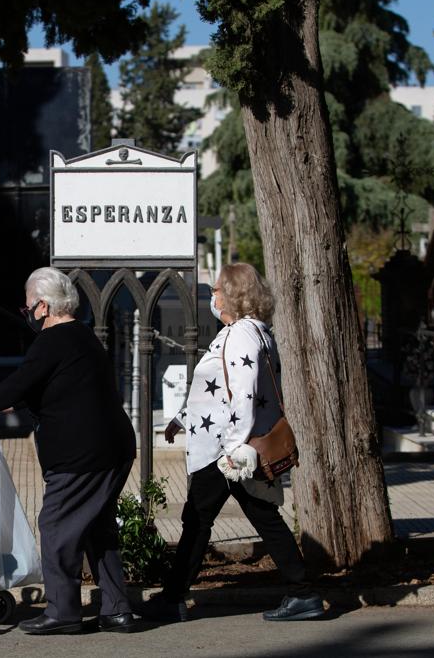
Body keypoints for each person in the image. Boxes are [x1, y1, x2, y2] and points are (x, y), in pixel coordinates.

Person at [0, 267, 137, 635]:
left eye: (28, 307)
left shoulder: (51, 341)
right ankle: (117, 610)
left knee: (55, 526)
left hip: (81, 455)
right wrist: (13, 403)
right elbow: (55, 386)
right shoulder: (84, 337)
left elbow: (17, 383)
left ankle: (63, 611)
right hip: (115, 448)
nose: (27, 314)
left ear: (44, 307)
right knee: (97, 528)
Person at [138, 263, 324, 622]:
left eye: (217, 290)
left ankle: (174, 597)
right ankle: (303, 593)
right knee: (261, 517)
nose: (213, 296)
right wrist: (183, 419)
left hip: (228, 451)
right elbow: (219, 390)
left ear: (234, 294)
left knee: (198, 519)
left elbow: (243, 393)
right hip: (233, 446)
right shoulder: (254, 332)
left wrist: (236, 448)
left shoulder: (240, 334)